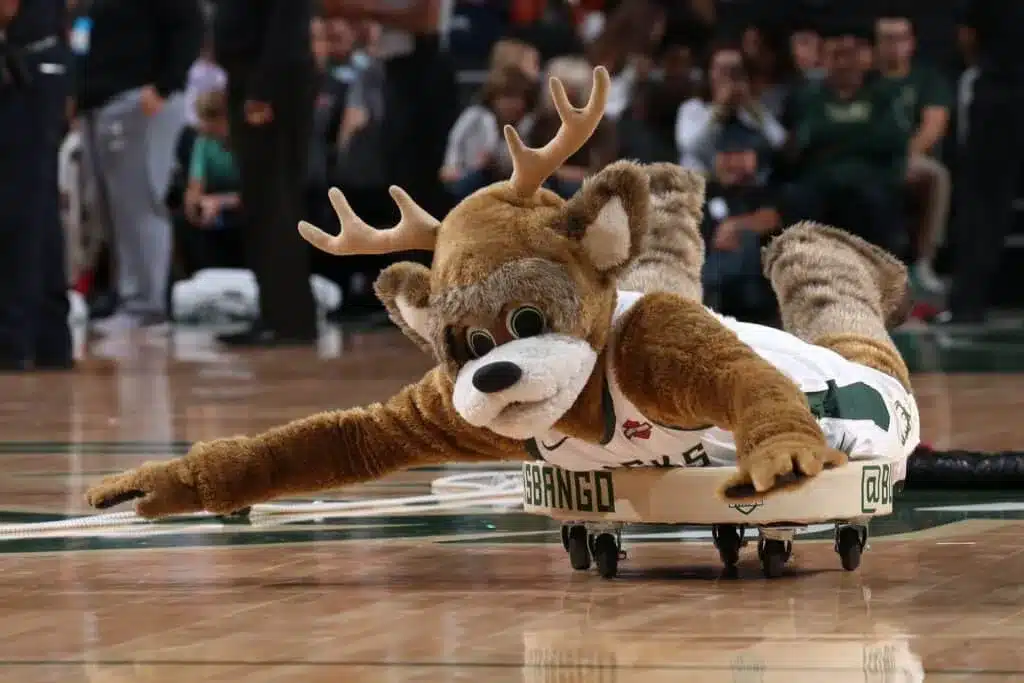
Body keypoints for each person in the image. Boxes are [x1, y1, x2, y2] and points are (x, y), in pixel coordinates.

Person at [76, 0, 204, 329]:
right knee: (108, 206)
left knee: (139, 202)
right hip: (99, 103)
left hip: (139, 100)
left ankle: (145, 305)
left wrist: (165, 85)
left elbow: (190, 26)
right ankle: (123, 294)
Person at [211, 0, 322, 346]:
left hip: (272, 87)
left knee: (276, 204)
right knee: (260, 203)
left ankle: (289, 318)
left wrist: (262, 91)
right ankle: (274, 310)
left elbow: (287, 23)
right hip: (250, 79)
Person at [784, 22, 909, 255]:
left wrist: (835, 140)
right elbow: (800, 143)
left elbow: (891, 140)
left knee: (875, 199)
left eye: (850, 55)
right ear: (824, 61)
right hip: (819, 177)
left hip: (868, 176)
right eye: (836, 56)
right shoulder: (808, 99)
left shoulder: (881, 97)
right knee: (798, 199)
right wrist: (854, 137)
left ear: (862, 60)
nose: (844, 63)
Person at [0, 0, 73, 371]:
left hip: (26, 68)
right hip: (42, 62)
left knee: (18, 208)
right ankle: (50, 339)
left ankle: (14, 339)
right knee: (39, 207)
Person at [943, 0, 1024, 325]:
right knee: (983, 206)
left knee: (984, 205)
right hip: (999, 90)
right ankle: (966, 303)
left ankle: (967, 305)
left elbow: (967, 36)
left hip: (997, 93)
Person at [875, 13, 953, 297]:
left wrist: (902, 157)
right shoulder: (866, 79)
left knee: (935, 175)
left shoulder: (926, 79)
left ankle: (924, 263)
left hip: (906, 159)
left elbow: (934, 127)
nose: (892, 45)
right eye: (885, 38)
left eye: (899, 38)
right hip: (865, 159)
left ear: (911, 43)